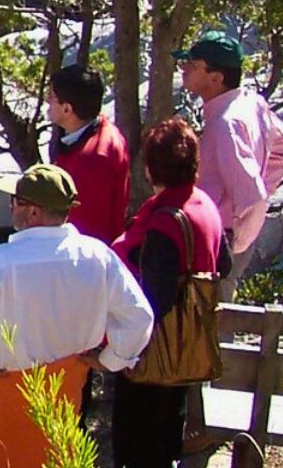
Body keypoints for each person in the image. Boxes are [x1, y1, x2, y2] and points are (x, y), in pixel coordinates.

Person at [0, 164, 153, 468]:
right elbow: (139, 317)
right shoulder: (98, 257)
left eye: (15, 201)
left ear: (32, 212)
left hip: (4, 388)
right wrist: (110, 360)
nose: (11, 207)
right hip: (69, 385)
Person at [111, 118, 230, 468]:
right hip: (187, 346)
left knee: (137, 446)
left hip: (154, 355)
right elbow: (224, 264)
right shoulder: (205, 206)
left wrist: (118, 350)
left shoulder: (165, 221)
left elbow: (153, 303)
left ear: (150, 169)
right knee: (165, 438)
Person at [176, 31, 283, 298]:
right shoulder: (250, 102)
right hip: (222, 234)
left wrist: (235, 244)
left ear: (216, 78)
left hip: (219, 239)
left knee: (210, 326)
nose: (184, 69)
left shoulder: (227, 124)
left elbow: (252, 197)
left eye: (193, 65)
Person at [47, 62, 130, 243]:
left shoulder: (93, 159)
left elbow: (87, 228)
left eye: (52, 97)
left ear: (67, 109)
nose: (47, 101)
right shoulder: (98, 129)